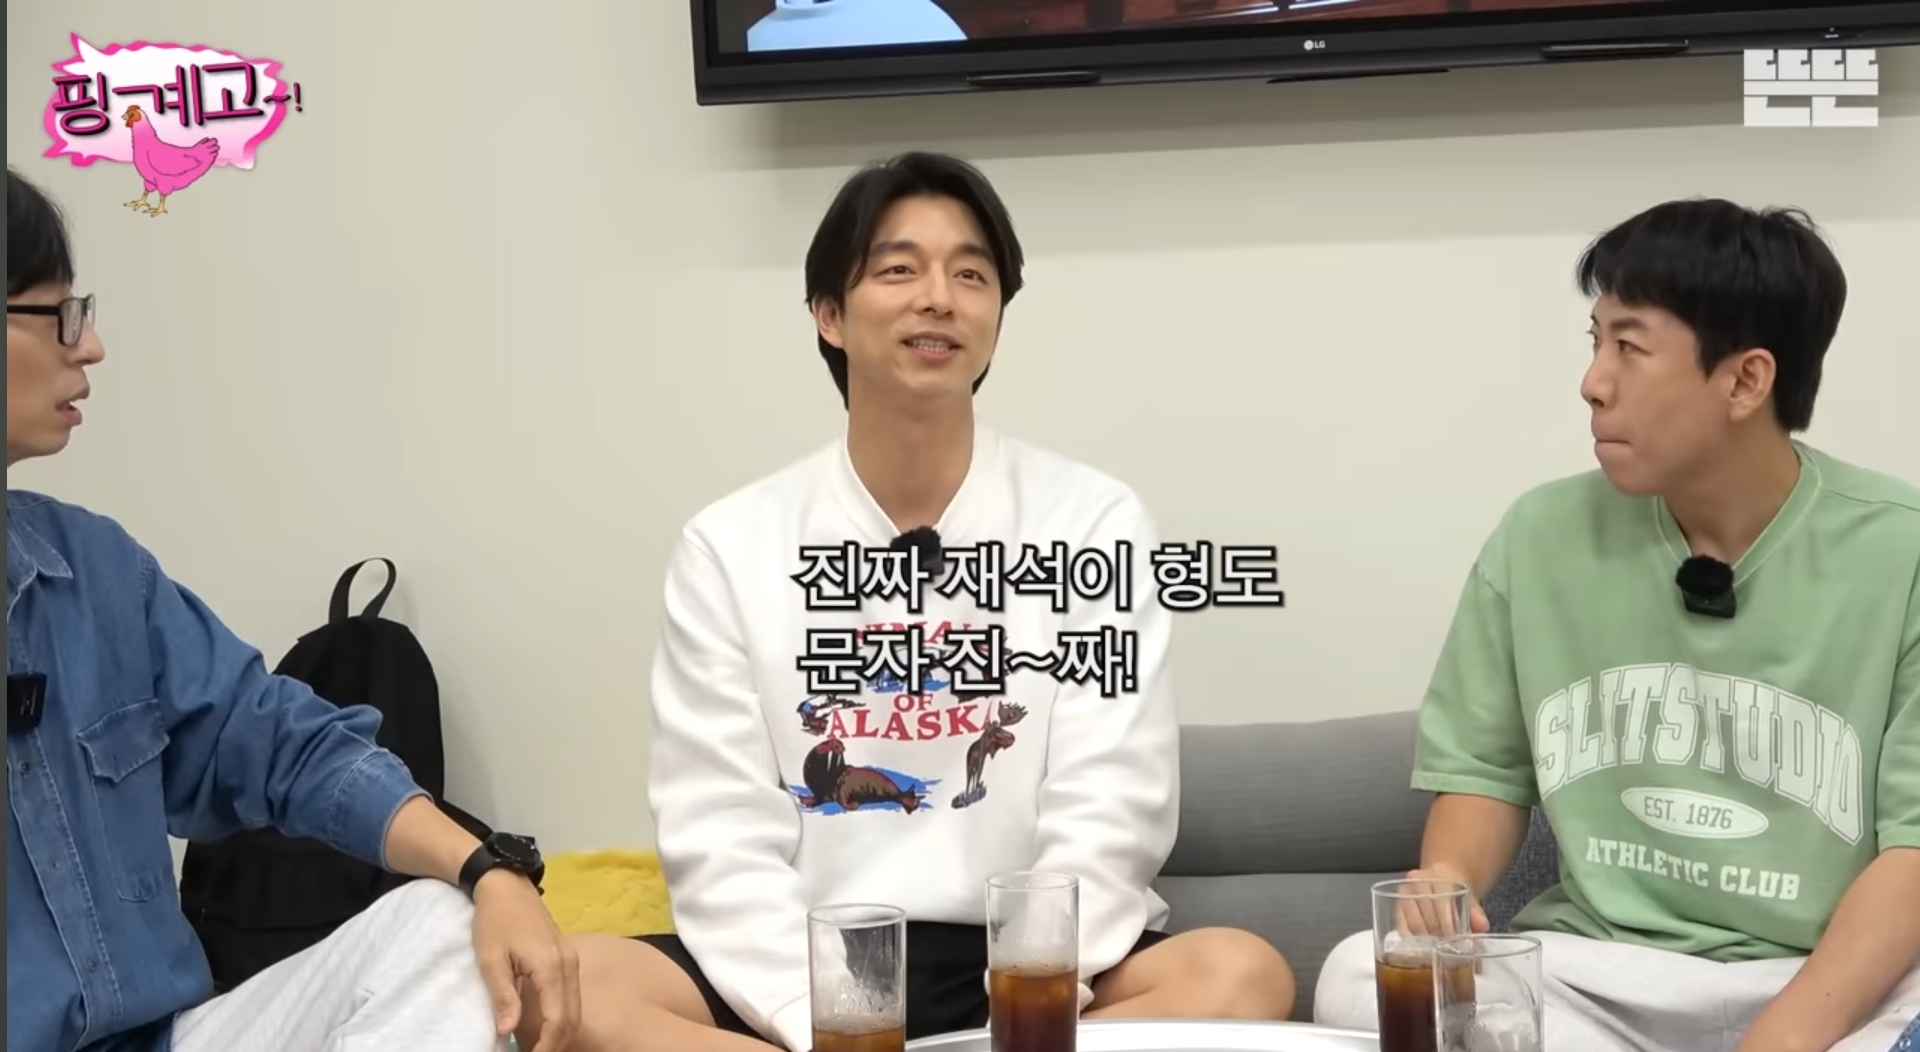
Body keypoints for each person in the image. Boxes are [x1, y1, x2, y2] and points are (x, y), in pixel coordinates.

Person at [541, 151, 1295, 1052]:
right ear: (828, 314)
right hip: (815, 954)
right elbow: (721, 833)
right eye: (899, 270)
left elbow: (1111, 805)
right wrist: (831, 1021)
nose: (939, 298)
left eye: (971, 275)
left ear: (997, 320)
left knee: (1243, 973)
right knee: (569, 986)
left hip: (1027, 960)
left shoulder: (1093, 521)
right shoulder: (731, 544)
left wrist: (1026, 997)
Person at [1311, 198, 1920, 1051]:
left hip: (1825, 979)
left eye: (1629, 348)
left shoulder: (1902, 550)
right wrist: (1448, 879)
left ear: (1745, 381)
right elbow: (1485, 773)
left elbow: (1913, 851)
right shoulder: (1539, 537)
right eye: (1595, 342)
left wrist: (1780, 1040)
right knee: (1360, 974)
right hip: (1604, 975)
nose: (1593, 382)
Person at [5, 167, 582, 1052]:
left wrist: (487, 868)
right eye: (61, 315)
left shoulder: (96, 570)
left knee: (442, 926)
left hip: (168, 1038)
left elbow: (282, 743)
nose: (92, 348)